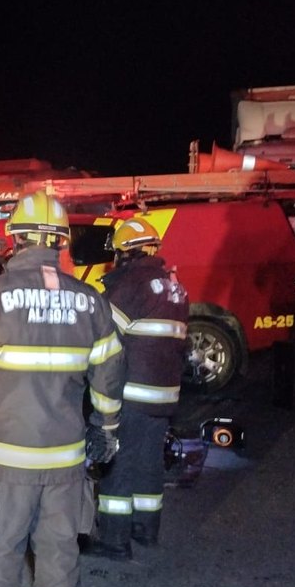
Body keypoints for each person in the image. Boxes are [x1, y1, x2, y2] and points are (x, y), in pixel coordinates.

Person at [0, 190, 126, 587]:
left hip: (6, 463)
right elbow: (110, 375)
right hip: (66, 462)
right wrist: (105, 430)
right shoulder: (91, 302)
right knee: (58, 559)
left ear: (14, 238)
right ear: (61, 242)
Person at [85, 216, 189, 561]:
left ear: (125, 253)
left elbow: (102, 335)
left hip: (132, 392)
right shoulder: (174, 287)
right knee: (148, 463)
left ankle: (115, 541)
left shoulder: (131, 283)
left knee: (118, 463)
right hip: (164, 394)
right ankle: (146, 529)